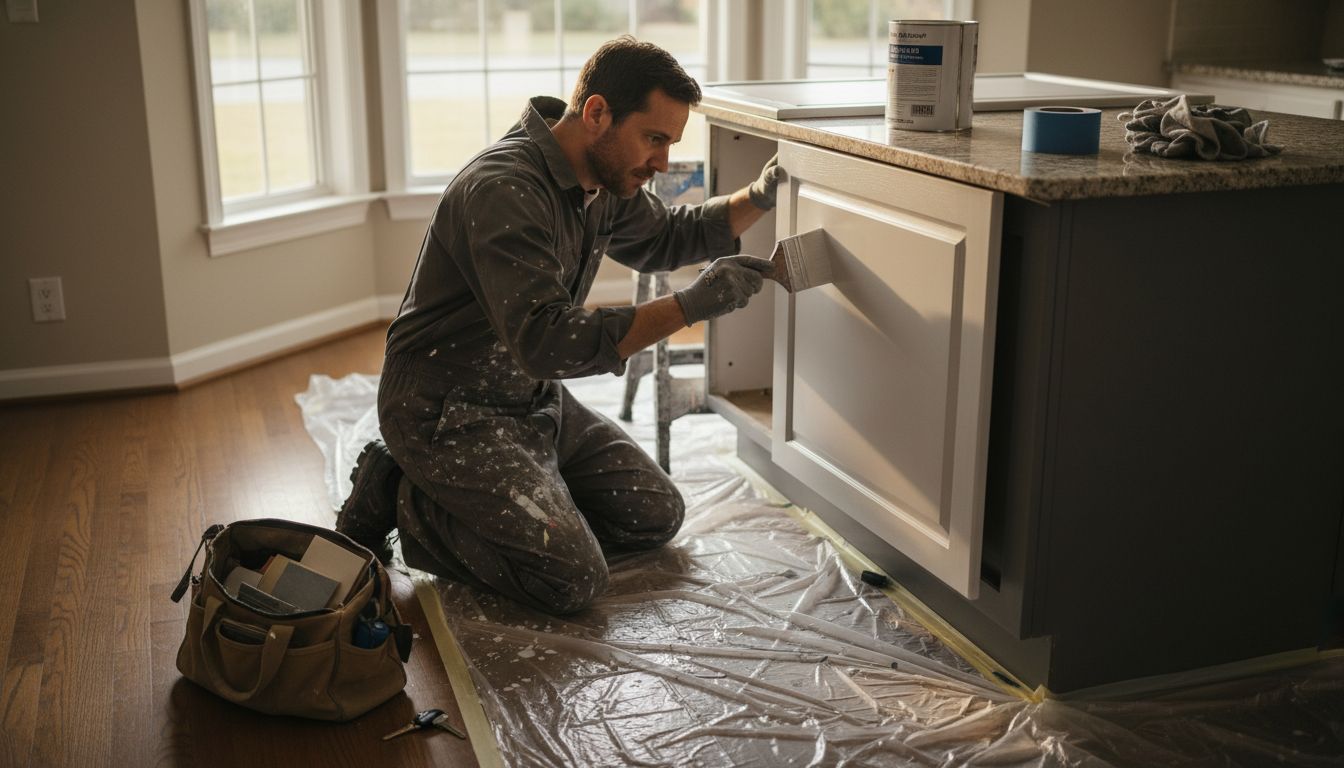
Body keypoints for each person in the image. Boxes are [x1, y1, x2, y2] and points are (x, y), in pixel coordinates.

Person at [335, 36, 783, 614]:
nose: (663, 163)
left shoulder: (600, 180)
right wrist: (690, 305)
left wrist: (762, 194)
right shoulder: (504, 190)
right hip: (446, 410)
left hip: (531, 397)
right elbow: (549, 342)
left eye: (670, 144)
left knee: (655, 515)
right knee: (571, 580)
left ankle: (520, 499)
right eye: (654, 139)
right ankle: (397, 491)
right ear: (597, 113)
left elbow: (669, 236)